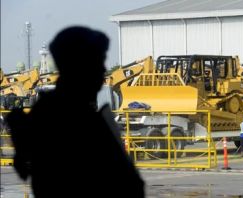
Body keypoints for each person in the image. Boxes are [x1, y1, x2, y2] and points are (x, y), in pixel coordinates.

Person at [6, 26, 145, 197]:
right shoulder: (77, 119)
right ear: (79, 68)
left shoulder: (47, 112)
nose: (102, 70)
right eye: (97, 62)